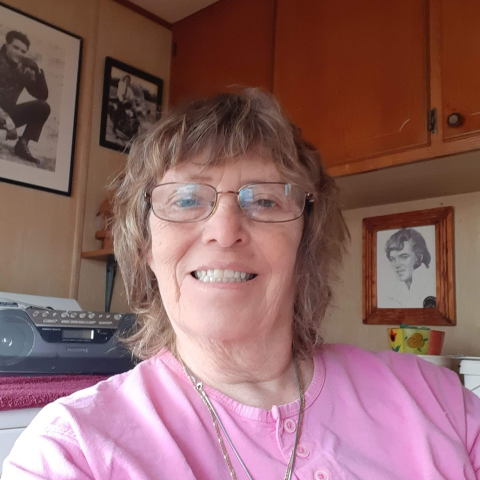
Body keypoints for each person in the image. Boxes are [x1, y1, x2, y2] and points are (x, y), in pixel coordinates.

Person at [3, 89, 480, 479]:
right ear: (145, 244)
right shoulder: (71, 452)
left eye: (265, 201)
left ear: (305, 241)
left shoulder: (439, 401)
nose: (225, 230)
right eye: (186, 199)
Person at [0, 30, 50, 165]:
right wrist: (8, 121)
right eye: (15, 47)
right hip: (4, 117)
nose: (19, 53)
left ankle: (22, 145)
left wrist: (38, 73)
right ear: (6, 44)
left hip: (6, 116)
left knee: (43, 107)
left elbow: (42, 96)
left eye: (23, 51)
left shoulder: (23, 68)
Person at [384, 228, 436, 308]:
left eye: (403, 257)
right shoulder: (398, 289)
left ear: (419, 257)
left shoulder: (431, 284)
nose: (397, 265)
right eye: (392, 259)